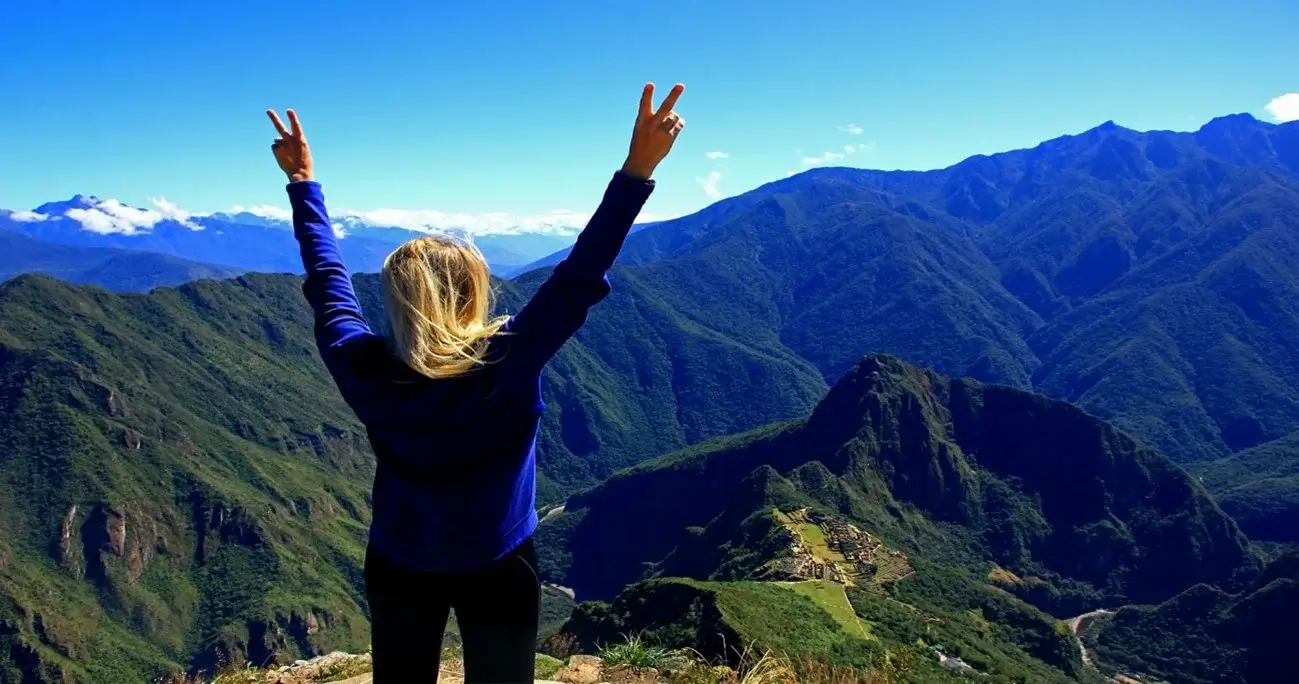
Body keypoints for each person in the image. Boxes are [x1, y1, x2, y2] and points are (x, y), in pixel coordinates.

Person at [264, 82, 686, 683]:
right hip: (500, 560)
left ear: (395, 301)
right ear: (473, 294)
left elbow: (326, 278)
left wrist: (303, 183)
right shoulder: (507, 357)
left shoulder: (359, 364)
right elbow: (581, 272)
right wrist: (638, 169)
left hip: (399, 557)